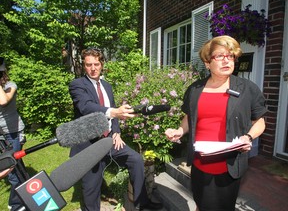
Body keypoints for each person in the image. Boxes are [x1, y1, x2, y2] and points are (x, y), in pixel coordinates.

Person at [165, 35, 267, 211]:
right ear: (207, 62)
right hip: (200, 162)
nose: (226, 60)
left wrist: (249, 136)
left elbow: (260, 121)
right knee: (200, 203)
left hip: (229, 166)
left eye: (230, 56)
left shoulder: (247, 89)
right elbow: (190, 117)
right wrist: (180, 131)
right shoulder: (195, 89)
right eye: (219, 56)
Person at [69, 48, 163, 211]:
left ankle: (142, 203)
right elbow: (86, 107)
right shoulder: (77, 85)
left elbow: (114, 113)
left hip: (110, 139)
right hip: (89, 145)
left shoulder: (107, 86)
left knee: (136, 160)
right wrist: (114, 112)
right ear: (84, 66)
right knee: (91, 188)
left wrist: (117, 131)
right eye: (88, 64)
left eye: (96, 64)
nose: (93, 68)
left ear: (102, 64)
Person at [0, 57, 26, 211]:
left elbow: (3, 101)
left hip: (13, 133)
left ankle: (16, 205)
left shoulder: (10, 86)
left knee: (12, 168)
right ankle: (27, 193)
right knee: (14, 168)